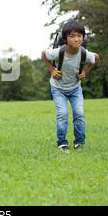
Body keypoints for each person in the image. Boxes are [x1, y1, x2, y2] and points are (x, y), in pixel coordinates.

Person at [41, 20, 99, 152]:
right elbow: (44, 54)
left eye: (79, 36)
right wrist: (51, 70)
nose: (76, 39)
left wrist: (85, 72)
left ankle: (79, 142)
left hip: (75, 88)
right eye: (72, 36)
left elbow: (96, 57)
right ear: (65, 39)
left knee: (79, 113)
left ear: (83, 38)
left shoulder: (84, 53)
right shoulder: (58, 52)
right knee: (62, 113)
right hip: (58, 88)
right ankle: (62, 142)